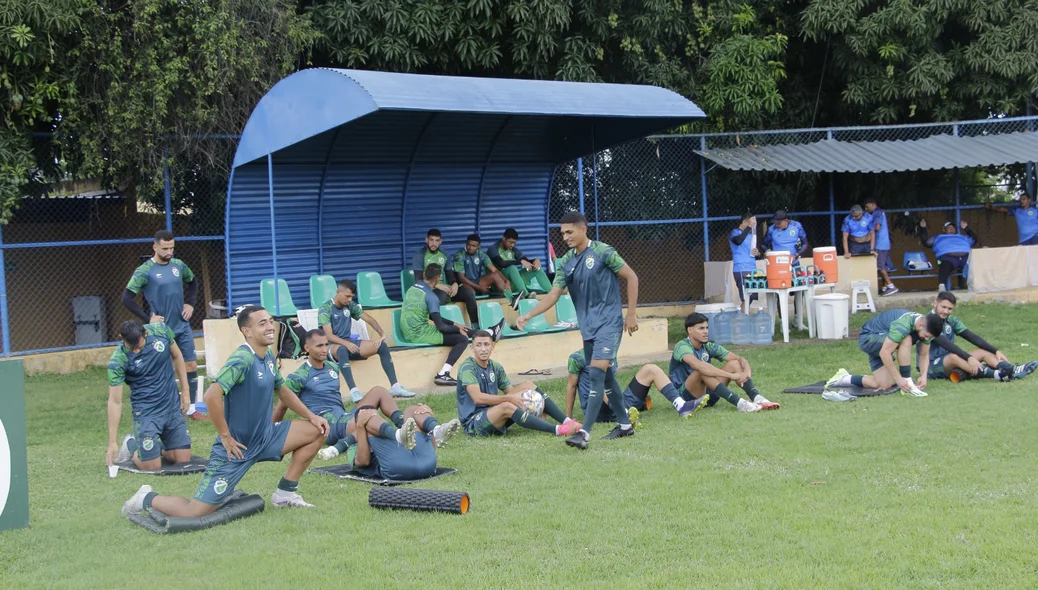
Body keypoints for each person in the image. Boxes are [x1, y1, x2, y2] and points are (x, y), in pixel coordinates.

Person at [120, 306, 329, 519]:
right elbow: (212, 396)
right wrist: (226, 437)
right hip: (235, 449)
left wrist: (312, 416)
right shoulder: (242, 359)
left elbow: (283, 391)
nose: (270, 327)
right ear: (247, 331)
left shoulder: (267, 357)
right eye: (262, 323)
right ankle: (145, 497)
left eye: (269, 321)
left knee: (318, 430)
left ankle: (285, 493)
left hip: (265, 437)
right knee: (194, 512)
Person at [516, 211, 639, 449]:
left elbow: (631, 277)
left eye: (569, 232)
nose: (565, 237)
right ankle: (625, 425)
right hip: (588, 327)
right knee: (608, 377)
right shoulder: (565, 263)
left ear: (583, 229)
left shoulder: (604, 252)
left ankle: (584, 432)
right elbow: (553, 295)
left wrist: (631, 313)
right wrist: (529, 314)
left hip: (610, 323)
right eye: (562, 233)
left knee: (595, 374)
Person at [276, 329, 460, 461]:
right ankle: (398, 435)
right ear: (307, 348)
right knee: (367, 416)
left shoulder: (332, 367)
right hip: (327, 424)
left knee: (379, 391)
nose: (324, 349)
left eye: (326, 345)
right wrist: (270, 431)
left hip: (343, 416)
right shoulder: (298, 376)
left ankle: (414, 428)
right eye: (319, 346)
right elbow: (283, 404)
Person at [122, 230, 200, 402]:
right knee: (165, 369)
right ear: (154, 246)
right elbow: (126, 298)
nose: (169, 252)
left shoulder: (178, 265)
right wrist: (147, 319)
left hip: (182, 325)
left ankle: (192, 406)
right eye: (165, 249)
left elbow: (193, 282)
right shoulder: (145, 270)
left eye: (171, 248)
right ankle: (170, 404)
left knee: (191, 365)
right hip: (160, 328)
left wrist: (191, 304)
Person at [456, 330, 580, 437]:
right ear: (472, 348)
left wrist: (535, 404)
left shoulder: (495, 366)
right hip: (474, 423)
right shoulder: (467, 367)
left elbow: (511, 392)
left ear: (493, 346)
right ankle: (558, 430)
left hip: (493, 413)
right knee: (506, 405)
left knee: (527, 385)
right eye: (478, 345)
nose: (483, 349)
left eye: (486, 344)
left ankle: (567, 421)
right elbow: (477, 398)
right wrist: (510, 398)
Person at [106, 320, 193, 471]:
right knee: (151, 467)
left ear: (145, 333)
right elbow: (115, 401)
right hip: (146, 412)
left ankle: (152, 447)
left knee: (182, 459)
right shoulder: (118, 360)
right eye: (130, 348)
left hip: (171, 406)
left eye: (138, 347)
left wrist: (185, 391)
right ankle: (131, 444)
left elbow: (178, 356)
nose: (135, 352)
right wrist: (112, 442)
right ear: (122, 338)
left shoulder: (161, 331)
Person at [402, 264, 502, 386]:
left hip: (409, 330)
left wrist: (455, 324)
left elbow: (429, 315)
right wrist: (456, 329)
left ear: (424, 275)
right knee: (462, 339)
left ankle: (489, 332)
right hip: (418, 334)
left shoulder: (413, 289)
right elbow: (441, 327)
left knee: (459, 329)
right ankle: (443, 374)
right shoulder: (432, 297)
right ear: (438, 278)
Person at [318, 279, 415, 402]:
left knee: (381, 346)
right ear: (338, 292)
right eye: (347, 296)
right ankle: (354, 392)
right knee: (342, 349)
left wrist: (382, 333)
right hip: (331, 346)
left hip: (349, 343)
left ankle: (395, 386)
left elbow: (368, 319)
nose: (349, 300)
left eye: (351, 297)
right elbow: (329, 336)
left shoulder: (350, 305)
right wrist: (346, 343)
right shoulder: (325, 308)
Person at [669, 313, 779, 413]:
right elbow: (697, 365)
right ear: (690, 330)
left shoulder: (708, 346)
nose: (706, 331)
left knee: (734, 363)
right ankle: (740, 404)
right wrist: (731, 376)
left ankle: (757, 398)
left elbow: (739, 359)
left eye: (707, 328)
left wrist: (746, 370)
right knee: (701, 370)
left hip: (708, 395)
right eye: (701, 328)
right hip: (686, 399)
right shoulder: (682, 346)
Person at [826, 309, 944, 396]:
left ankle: (844, 378)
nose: (927, 339)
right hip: (869, 338)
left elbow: (924, 354)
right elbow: (885, 353)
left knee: (884, 384)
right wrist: (899, 379)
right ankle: (908, 380)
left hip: (884, 341)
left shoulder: (927, 329)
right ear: (921, 324)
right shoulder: (903, 325)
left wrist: (924, 376)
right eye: (927, 335)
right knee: (906, 338)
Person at [924, 291, 1036, 382]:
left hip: (953, 359)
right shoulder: (928, 321)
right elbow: (947, 345)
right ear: (935, 303)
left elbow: (972, 337)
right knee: (954, 357)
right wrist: (969, 358)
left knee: (983, 351)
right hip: (931, 366)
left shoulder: (951, 320)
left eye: (950, 309)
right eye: (943, 307)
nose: (946, 311)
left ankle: (1010, 369)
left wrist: (996, 350)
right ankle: (998, 375)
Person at [566, 350, 703, 422]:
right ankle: (624, 416)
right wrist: (567, 419)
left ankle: (682, 406)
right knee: (599, 381)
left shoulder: (610, 352)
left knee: (651, 369)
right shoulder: (577, 357)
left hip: (618, 401)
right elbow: (571, 387)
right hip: (597, 410)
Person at [411, 228, 478, 325]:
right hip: (429, 290)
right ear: (426, 240)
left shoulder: (445, 254)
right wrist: (437, 285)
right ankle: (442, 327)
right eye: (431, 240)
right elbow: (418, 280)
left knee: (468, 292)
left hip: (445, 289)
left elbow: (450, 277)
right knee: (441, 295)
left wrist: (454, 284)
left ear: (440, 241)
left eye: (437, 240)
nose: (434, 243)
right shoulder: (419, 255)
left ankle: (475, 326)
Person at [451, 234, 515, 308]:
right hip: (464, 285)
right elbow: (461, 278)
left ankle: (511, 298)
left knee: (495, 275)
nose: (470, 248)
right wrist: (479, 288)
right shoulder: (460, 255)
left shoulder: (481, 255)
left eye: (473, 246)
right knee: (470, 292)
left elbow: (494, 270)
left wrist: (506, 281)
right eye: (468, 245)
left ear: (478, 246)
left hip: (477, 282)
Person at [487, 228, 540, 309]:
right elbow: (501, 263)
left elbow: (526, 261)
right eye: (510, 242)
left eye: (514, 243)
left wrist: (535, 260)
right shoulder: (493, 249)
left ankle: (553, 293)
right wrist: (520, 261)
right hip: (499, 284)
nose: (512, 245)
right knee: (512, 268)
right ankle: (526, 295)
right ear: (504, 239)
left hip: (510, 283)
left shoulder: (513, 250)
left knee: (537, 269)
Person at [918, 219, 976, 290]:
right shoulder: (939, 237)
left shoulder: (962, 237)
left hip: (966, 257)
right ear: (944, 230)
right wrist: (923, 228)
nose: (951, 229)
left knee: (974, 265)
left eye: (953, 227)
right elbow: (926, 242)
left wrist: (966, 228)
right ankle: (942, 287)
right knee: (944, 266)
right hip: (948, 258)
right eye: (949, 227)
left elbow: (974, 239)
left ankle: (975, 286)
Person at [864, 198, 898, 296]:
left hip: (880, 244)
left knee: (879, 266)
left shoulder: (877, 213)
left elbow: (877, 227)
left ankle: (891, 286)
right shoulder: (880, 212)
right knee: (884, 267)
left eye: (867, 206)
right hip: (885, 244)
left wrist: (868, 230)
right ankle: (885, 288)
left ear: (872, 204)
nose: (866, 209)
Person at [729, 213, 759, 305]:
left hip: (752, 268)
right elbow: (738, 241)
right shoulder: (735, 233)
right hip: (741, 268)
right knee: (746, 297)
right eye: (751, 223)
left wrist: (758, 253)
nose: (753, 226)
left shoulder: (751, 236)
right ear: (744, 222)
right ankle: (744, 316)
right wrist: (749, 227)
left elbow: (754, 253)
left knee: (752, 296)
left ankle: (743, 315)